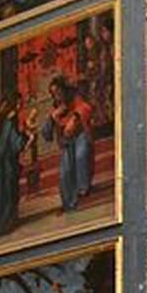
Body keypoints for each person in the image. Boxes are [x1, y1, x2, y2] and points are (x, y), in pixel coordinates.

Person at [42, 76, 95, 210]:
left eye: (58, 92)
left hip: (80, 135)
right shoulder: (56, 109)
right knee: (64, 172)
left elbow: (85, 108)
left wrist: (75, 118)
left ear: (64, 91)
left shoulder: (75, 99)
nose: (57, 96)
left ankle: (83, 188)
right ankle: (69, 203)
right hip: (67, 143)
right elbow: (46, 134)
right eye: (53, 94)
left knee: (81, 155)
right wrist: (52, 118)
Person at [0, 98, 32, 236]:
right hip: (5, 163)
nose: (19, 106)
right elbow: (16, 145)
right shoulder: (10, 122)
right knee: (6, 191)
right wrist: (26, 135)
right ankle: (4, 224)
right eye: (18, 104)